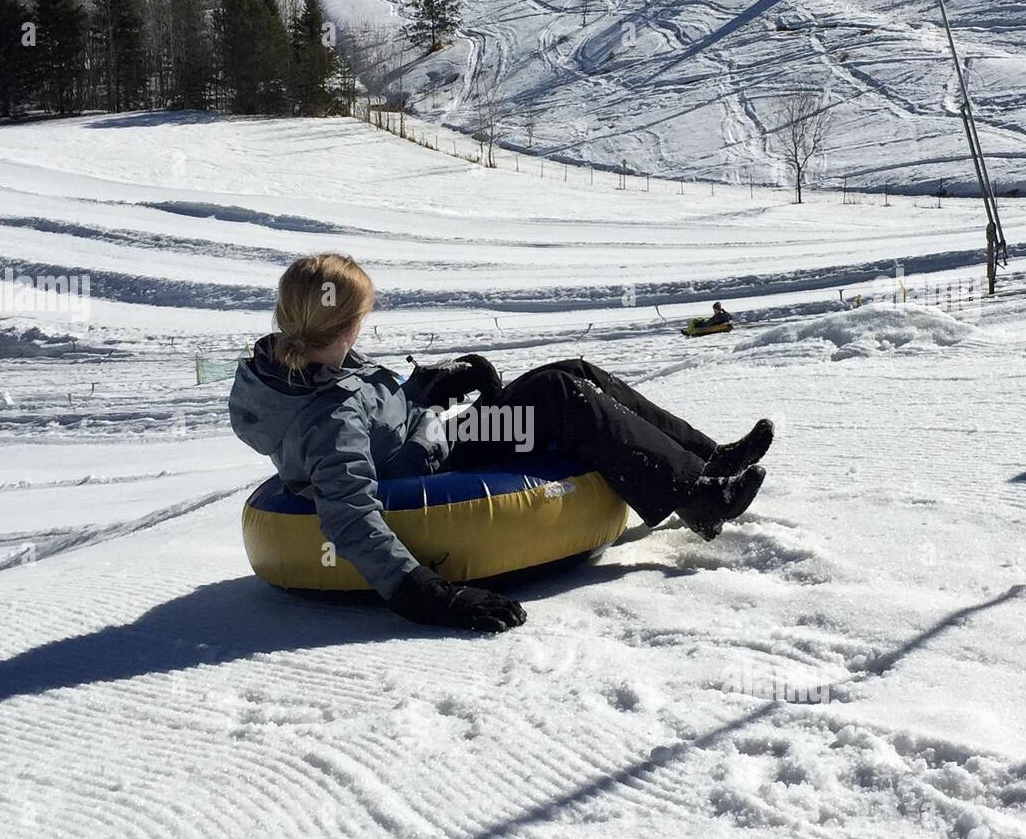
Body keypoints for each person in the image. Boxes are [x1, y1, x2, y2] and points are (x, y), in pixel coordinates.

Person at [229, 254, 773, 634]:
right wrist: (423, 592)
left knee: (570, 369)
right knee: (562, 393)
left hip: (436, 440)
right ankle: (693, 497)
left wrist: (424, 390)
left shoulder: (301, 362)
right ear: (347, 324)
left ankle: (706, 460)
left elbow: (377, 410)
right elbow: (347, 511)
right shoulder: (331, 414)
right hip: (437, 467)